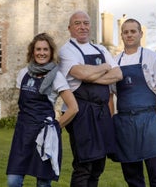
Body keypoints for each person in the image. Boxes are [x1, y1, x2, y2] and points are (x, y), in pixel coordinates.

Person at [58, 10, 123, 187]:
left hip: (101, 113)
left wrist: (92, 76)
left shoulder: (100, 48)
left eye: (86, 23)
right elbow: (81, 73)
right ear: (70, 28)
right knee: (84, 165)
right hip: (81, 114)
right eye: (77, 23)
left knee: (98, 165)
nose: (82, 27)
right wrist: (103, 66)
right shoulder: (67, 51)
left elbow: (118, 74)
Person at [6, 33, 79, 187]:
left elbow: (73, 108)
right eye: (38, 49)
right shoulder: (23, 74)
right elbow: (23, 103)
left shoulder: (57, 76)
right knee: (13, 181)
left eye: (45, 49)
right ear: (32, 52)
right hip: (23, 132)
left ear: (51, 52)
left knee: (43, 183)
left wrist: (55, 127)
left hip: (45, 136)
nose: (41, 53)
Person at [110, 18, 156, 187]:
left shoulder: (154, 59)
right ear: (122, 35)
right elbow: (110, 95)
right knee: (132, 177)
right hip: (124, 123)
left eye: (133, 31)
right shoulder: (113, 63)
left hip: (149, 119)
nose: (129, 35)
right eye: (126, 32)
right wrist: (112, 120)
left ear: (140, 34)